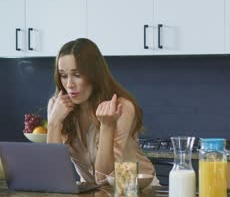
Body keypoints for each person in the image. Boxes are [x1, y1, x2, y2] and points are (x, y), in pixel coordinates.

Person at [47, 38, 155, 185]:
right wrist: (54, 123)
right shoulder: (57, 106)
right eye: (64, 75)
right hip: (94, 196)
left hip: (137, 192)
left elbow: (103, 178)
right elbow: (51, 174)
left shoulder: (121, 107)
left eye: (77, 75)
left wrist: (107, 126)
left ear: (94, 74)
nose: (69, 84)